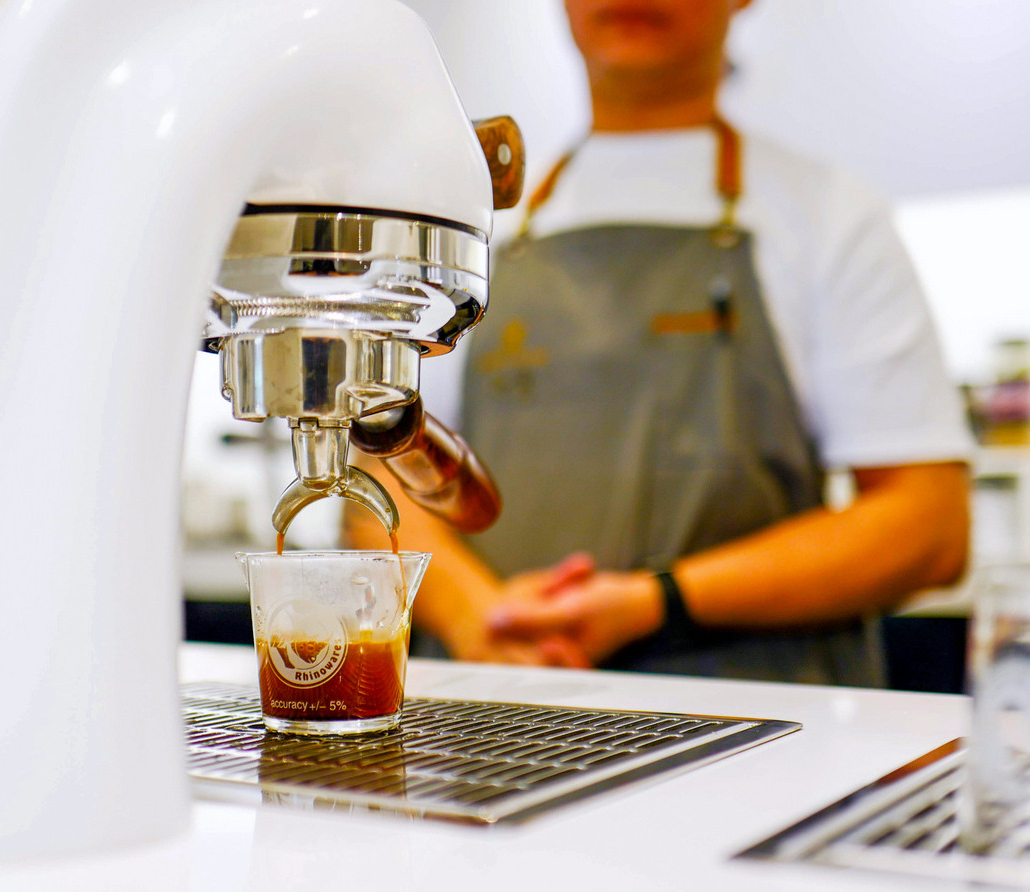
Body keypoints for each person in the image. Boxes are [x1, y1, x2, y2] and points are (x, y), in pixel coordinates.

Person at [355, 0, 972, 686]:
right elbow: (379, 475)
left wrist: (656, 603)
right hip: (497, 717)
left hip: (759, 724)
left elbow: (928, 529)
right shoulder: (470, 230)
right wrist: (477, 617)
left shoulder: (830, 219)